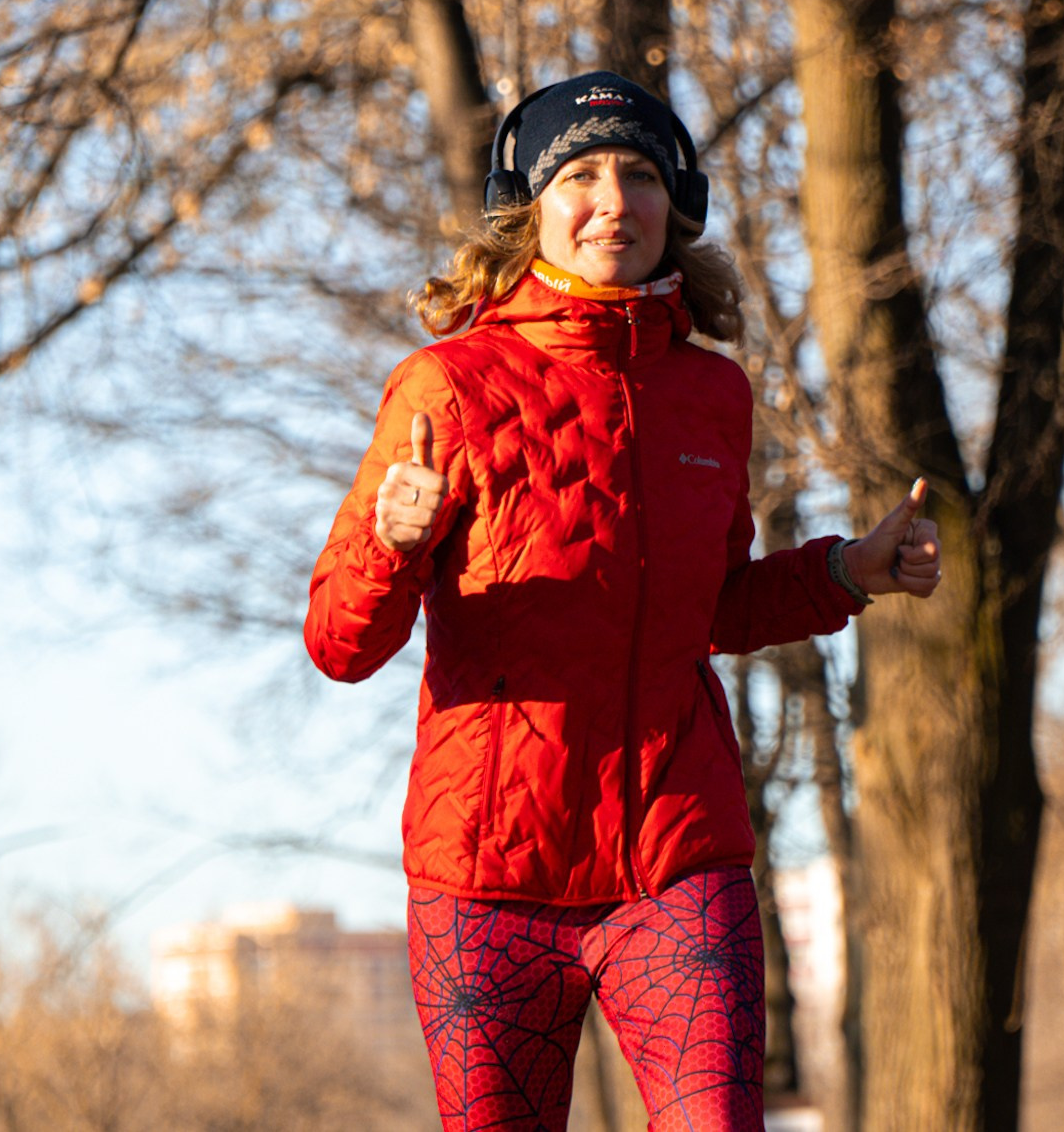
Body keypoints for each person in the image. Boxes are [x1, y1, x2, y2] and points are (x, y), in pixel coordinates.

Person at [304, 70, 941, 1131]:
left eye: (639, 173)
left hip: (676, 856)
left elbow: (716, 609)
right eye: (581, 176)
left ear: (674, 202)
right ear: (531, 208)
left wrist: (845, 571)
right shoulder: (446, 385)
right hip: (487, 878)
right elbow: (338, 642)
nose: (613, 201)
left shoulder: (711, 392)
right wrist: (393, 540)